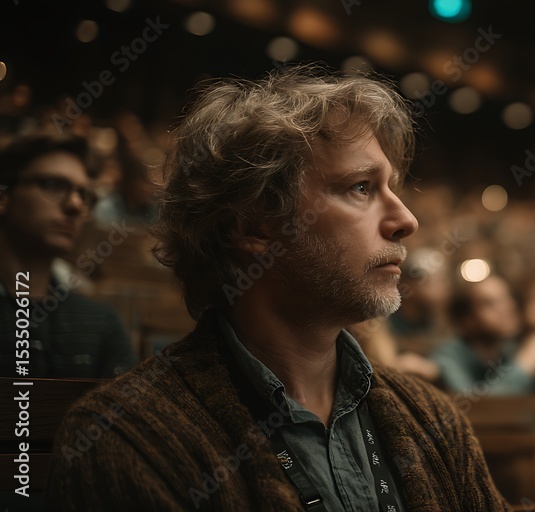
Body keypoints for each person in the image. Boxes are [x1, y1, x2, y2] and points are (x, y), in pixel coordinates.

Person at [47, 67, 509, 511]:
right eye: (360, 187)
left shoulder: (436, 422)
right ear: (255, 225)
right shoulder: (129, 440)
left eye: (391, 187)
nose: (406, 220)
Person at [0, 133, 137, 378]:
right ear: (4, 197)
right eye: (54, 185)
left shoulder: (102, 325)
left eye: (84, 195)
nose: (75, 205)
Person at [430, 275, 535, 395]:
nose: (507, 307)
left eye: (506, 298)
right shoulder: (448, 355)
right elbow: (472, 406)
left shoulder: (509, 349)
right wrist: (526, 364)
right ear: (467, 321)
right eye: (489, 303)